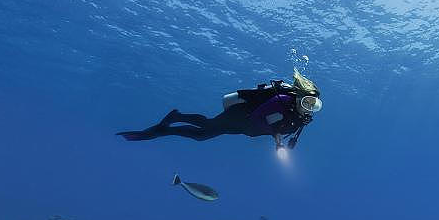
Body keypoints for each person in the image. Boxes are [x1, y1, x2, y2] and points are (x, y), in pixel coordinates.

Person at [117, 69, 321, 151]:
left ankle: (175, 118)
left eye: (313, 105)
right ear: (300, 97)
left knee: (204, 130)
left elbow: (278, 126)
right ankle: (166, 127)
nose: (309, 108)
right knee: (204, 130)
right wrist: (276, 138)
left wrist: (278, 139)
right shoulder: (282, 99)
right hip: (241, 117)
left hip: (244, 127)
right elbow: (261, 117)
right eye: (307, 102)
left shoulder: (301, 117)